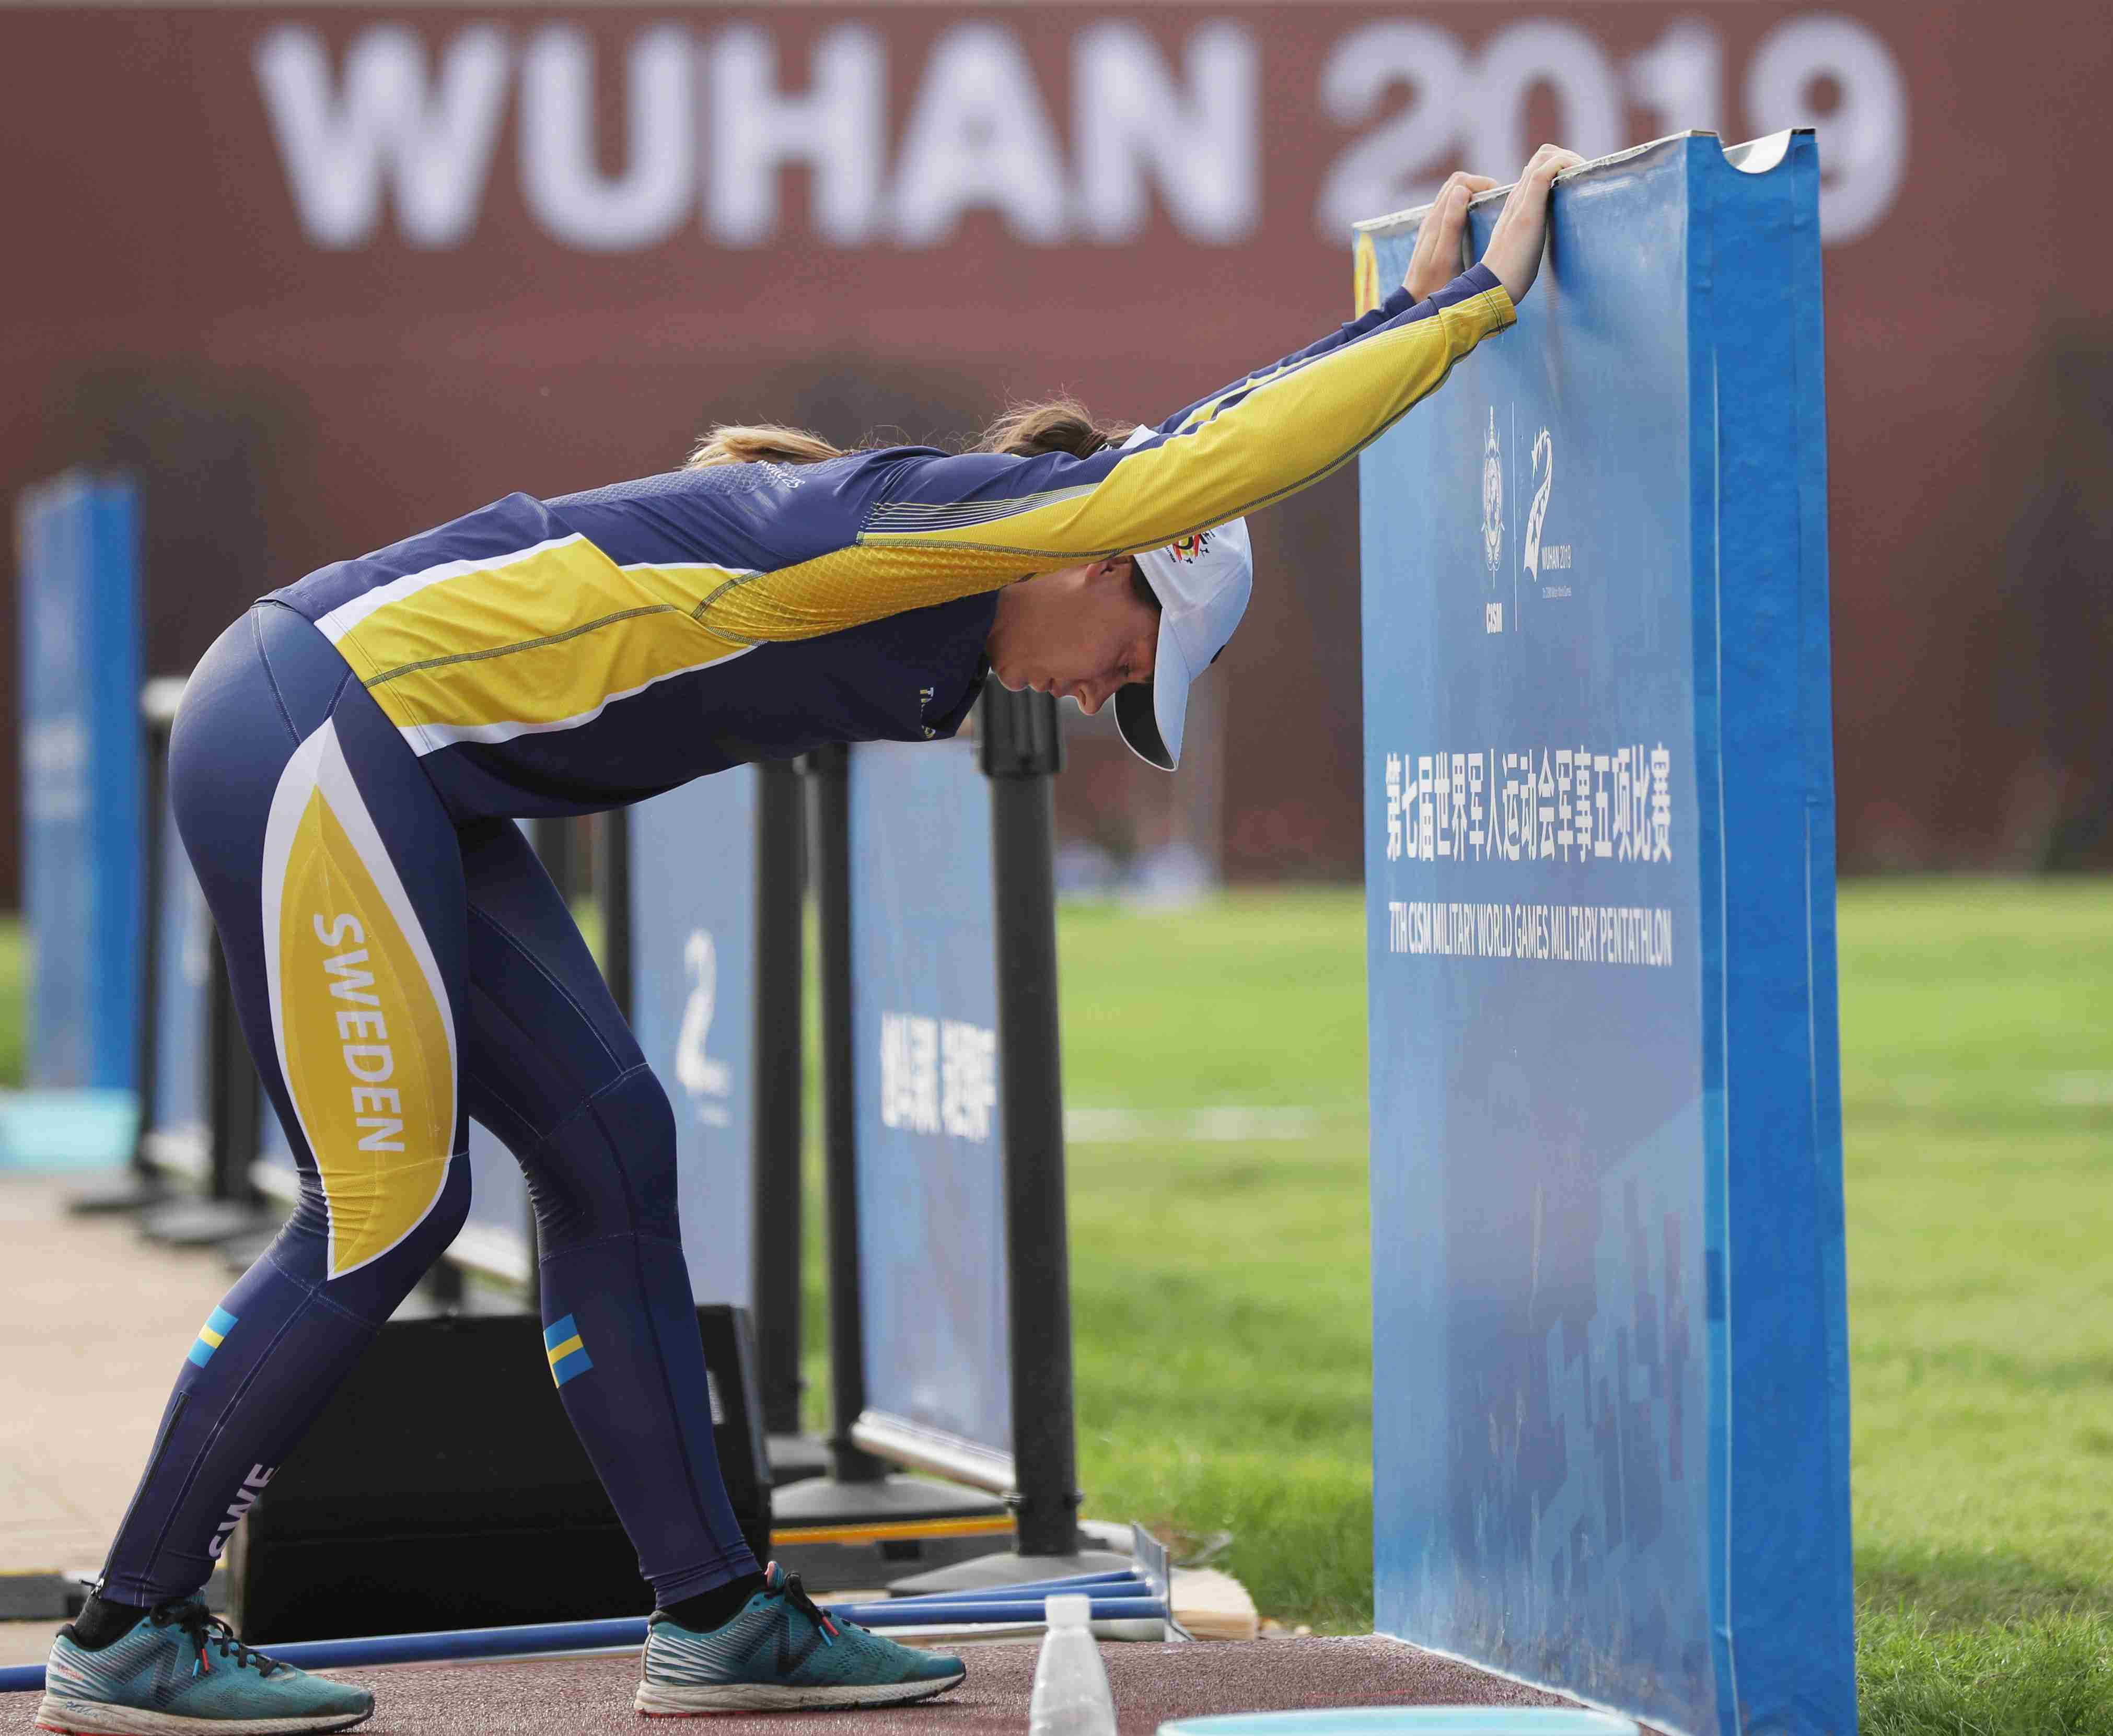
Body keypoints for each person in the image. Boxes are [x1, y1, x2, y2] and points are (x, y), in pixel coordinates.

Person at [35, 143, 1586, 1735]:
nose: (1102, 698)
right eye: (1131, 658)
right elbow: (1182, 469)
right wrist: (1455, 317)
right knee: (384, 1205)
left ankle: (712, 1616)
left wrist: (1391, 317)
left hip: (406, 764)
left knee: (614, 1147)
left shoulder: (963, 563)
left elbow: (1177, 470)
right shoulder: (934, 530)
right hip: (319, 726)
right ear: (1097, 555)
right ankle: (127, 1626)